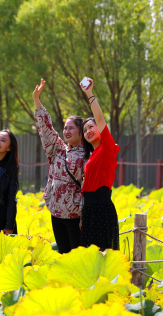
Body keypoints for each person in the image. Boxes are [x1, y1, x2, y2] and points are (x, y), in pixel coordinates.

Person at [33, 78, 85, 254]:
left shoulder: (87, 156)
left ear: (81, 132)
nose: (67, 131)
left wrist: (84, 216)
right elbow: (46, 129)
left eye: (71, 128)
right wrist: (37, 101)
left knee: (77, 259)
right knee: (63, 256)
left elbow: (88, 186)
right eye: (65, 128)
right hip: (56, 213)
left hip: (75, 216)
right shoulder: (58, 150)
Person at [79, 77, 120, 251]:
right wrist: (83, 215)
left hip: (102, 208)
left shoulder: (107, 148)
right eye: (85, 130)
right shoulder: (91, 156)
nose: (88, 131)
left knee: (103, 257)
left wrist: (89, 93)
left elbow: (100, 117)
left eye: (91, 127)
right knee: (89, 260)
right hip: (89, 209)